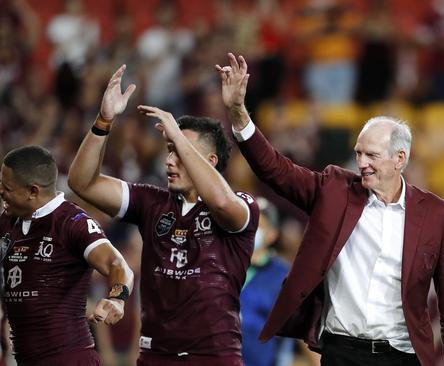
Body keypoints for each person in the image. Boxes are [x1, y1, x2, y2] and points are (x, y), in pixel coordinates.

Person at [217, 53, 444, 366]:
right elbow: (275, 170)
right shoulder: (334, 190)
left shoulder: (437, 215)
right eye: (359, 153)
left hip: (404, 357)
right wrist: (239, 114)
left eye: (372, 156)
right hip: (342, 354)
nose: (362, 163)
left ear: (400, 159)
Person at [68, 65, 259, 365]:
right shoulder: (152, 202)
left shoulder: (242, 205)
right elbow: (82, 182)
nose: (169, 160)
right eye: (168, 150)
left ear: (210, 161)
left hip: (214, 357)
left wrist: (178, 137)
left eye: (178, 151)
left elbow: (221, 202)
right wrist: (104, 120)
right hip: (156, 356)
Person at [0, 145, 134, 365]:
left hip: (69, 358)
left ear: (33, 191)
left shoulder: (73, 222)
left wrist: (117, 298)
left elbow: (117, 264)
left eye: (7, 187)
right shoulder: (8, 221)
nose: (1, 191)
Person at [240, 197, 293, 366]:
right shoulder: (222, 263)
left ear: (272, 234)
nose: (252, 230)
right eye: (248, 223)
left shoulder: (283, 275)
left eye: (259, 226)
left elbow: (291, 334)